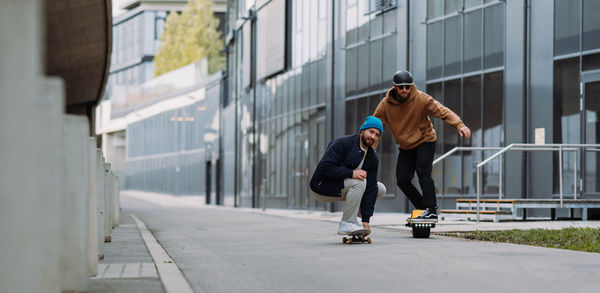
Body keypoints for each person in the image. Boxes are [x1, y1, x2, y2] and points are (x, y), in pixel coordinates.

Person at [373, 70, 471, 221]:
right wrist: (370, 150)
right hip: (406, 146)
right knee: (402, 180)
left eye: (407, 86)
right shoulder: (385, 105)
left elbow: (442, 111)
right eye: (401, 87)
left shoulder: (421, 98)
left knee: (423, 172)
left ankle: (431, 209)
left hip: (425, 140)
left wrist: (459, 125)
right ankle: (422, 208)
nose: (405, 90)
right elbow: (376, 128)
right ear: (395, 87)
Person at [310, 116, 386, 235]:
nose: (373, 137)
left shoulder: (372, 158)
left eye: (377, 135)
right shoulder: (343, 143)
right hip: (322, 187)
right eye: (371, 132)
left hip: (345, 187)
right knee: (360, 181)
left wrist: (366, 218)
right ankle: (347, 223)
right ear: (362, 130)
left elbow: (371, 188)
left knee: (380, 188)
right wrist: (351, 173)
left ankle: (357, 217)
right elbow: (325, 167)